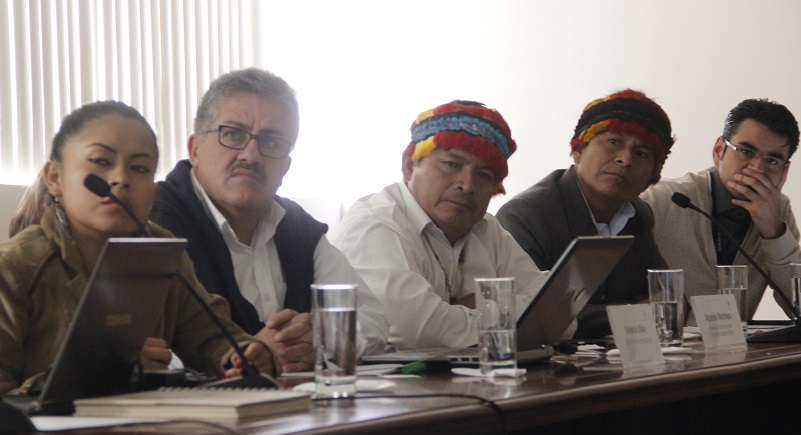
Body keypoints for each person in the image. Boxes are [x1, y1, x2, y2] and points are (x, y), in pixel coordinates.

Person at [1, 100, 276, 395]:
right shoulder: (14, 268)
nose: (121, 179)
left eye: (140, 168)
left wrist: (246, 356)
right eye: (101, 162)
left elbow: (212, 338)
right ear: (55, 178)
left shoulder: (160, 255)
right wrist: (92, 373)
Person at [151, 68, 387, 372]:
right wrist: (250, 354)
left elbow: (372, 320)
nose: (251, 155)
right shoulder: (153, 223)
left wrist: (321, 340)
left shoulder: (297, 227)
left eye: (272, 142)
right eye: (233, 134)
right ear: (195, 149)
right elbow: (146, 348)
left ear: (286, 166)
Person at [333, 100, 550, 350]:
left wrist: (454, 312)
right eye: (451, 164)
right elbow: (417, 331)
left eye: (483, 175)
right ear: (409, 167)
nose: (467, 185)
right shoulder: (375, 223)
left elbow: (557, 311)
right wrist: (500, 307)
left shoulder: (487, 230)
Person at [496, 89, 672, 338]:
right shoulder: (526, 214)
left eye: (641, 153)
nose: (625, 159)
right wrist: (632, 312)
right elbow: (534, 315)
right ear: (579, 149)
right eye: (614, 142)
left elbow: (668, 299)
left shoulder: (639, 215)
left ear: (652, 175)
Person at [641, 98, 801, 320]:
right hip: (670, 341)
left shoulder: (778, 212)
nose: (757, 168)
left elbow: (799, 306)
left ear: (784, 171)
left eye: (772, 161)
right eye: (746, 151)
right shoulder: (663, 200)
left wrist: (774, 232)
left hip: (738, 343)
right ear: (719, 151)